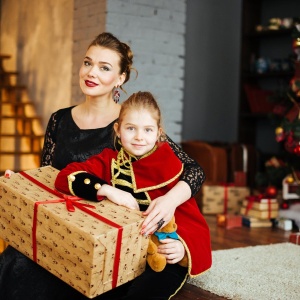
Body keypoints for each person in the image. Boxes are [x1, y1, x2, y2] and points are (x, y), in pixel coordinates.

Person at [0, 32, 206, 299]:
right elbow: (51, 176)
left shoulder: (131, 127)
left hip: (99, 237)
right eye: (88, 63)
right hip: (62, 227)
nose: (91, 72)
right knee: (16, 261)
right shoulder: (59, 120)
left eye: (104, 67)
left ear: (120, 79)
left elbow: (193, 170)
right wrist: (24, 185)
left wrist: (168, 202)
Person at [55, 91, 212, 299]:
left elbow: (191, 220)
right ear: (118, 130)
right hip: (120, 253)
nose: (139, 137)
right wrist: (107, 189)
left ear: (158, 133)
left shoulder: (169, 164)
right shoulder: (108, 160)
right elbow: (66, 176)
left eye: (148, 130)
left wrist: (182, 248)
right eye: (131, 128)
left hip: (162, 255)